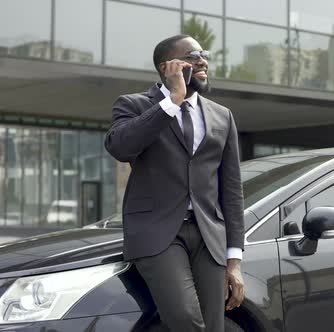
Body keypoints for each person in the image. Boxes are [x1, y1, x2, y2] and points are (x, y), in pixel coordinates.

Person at [104, 34, 245, 332]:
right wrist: (172, 101)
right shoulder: (134, 105)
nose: (203, 60)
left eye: (204, 54)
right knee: (185, 319)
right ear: (168, 66)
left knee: (213, 325)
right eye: (193, 56)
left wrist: (234, 260)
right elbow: (120, 147)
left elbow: (231, 191)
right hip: (157, 233)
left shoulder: (223, 116)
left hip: (210, 236)